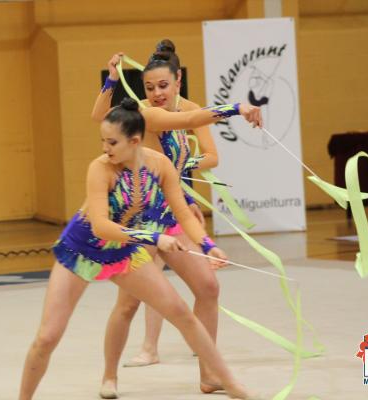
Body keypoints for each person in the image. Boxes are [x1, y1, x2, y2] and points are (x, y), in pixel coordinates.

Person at [19, 99, 252, 400]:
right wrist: (154, 239)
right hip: (81, 249)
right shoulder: (100, 169)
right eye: (103, 141)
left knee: (181, 312)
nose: (105, 148)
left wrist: (208, 246)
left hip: (124, 252)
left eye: (112, 142)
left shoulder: (159, 165)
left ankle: (229, 383)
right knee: (48, 336)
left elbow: (182, 213)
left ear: (135, 141)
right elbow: (101, 226)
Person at [91, 41, 262, 397]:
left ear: (177, 80)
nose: (155, 93)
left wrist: (189, 206)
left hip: (171, 213)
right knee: (128, 303)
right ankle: (109, 374)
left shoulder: (186, 108)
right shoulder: (145, 114)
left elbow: (189, 143)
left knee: (208, 287)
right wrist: (238, 107)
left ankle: (209, 374)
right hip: (137, 219)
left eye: (162, 86)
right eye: (150, 87)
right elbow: (184, 121)